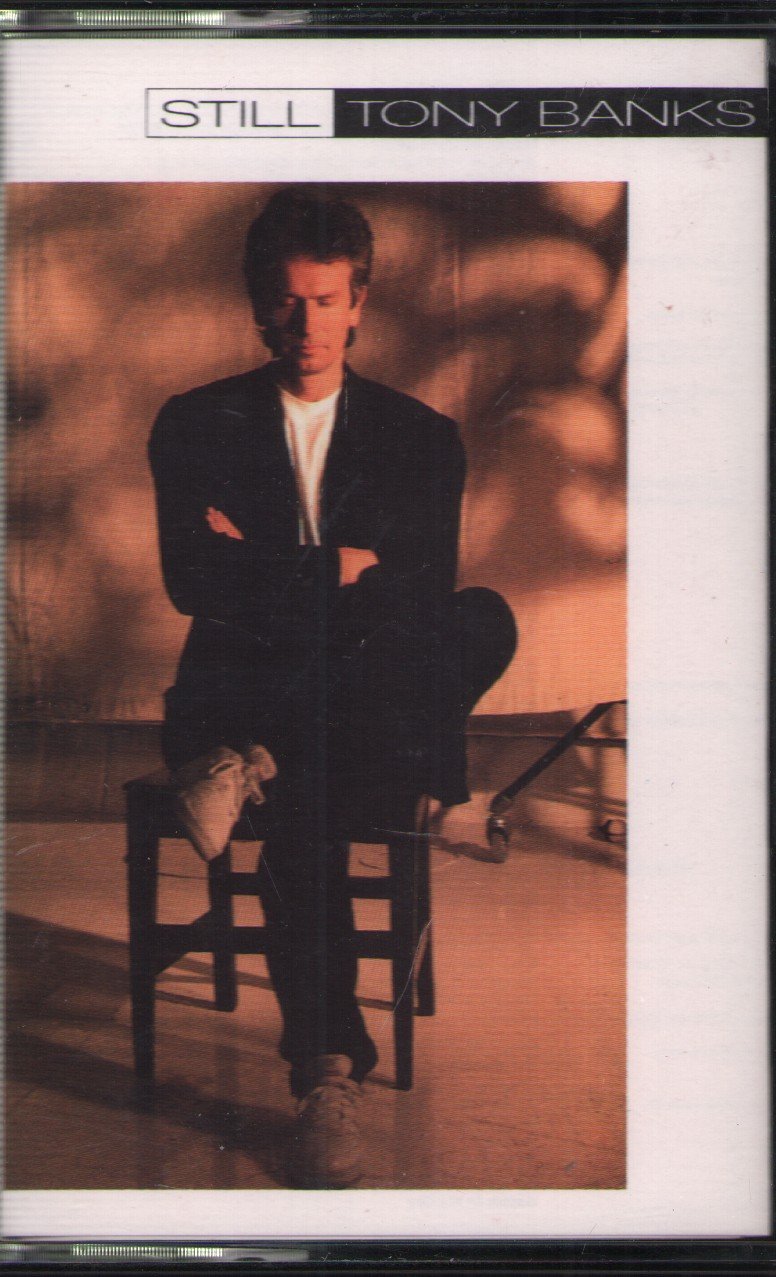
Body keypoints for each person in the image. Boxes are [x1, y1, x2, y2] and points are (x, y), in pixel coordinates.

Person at [148, 187, 517, 1188]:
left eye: (325, 300)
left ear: (359, 303)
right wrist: (338, 568)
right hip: (242, 687)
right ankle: (326, 1076)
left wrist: (267, 565)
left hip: (334, 690)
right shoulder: (195, 422)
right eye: (285, 300)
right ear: (255, 302)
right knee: (318, 789)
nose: (305, 324)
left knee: (479, 615)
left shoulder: (420, 436)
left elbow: (417, 598)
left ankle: (258, 763)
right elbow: (192, 581)